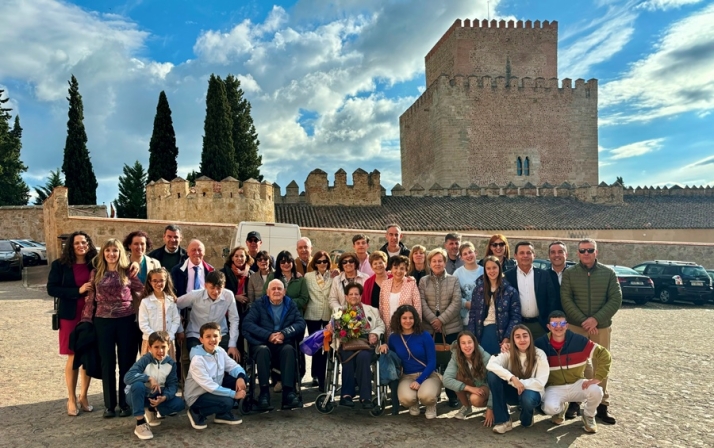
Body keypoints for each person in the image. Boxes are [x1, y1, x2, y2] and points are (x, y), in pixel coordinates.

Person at [560, 238, 622, 425]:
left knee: (600, 363)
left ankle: (601, 405)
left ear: (596, 252)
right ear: (577, 253)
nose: (586, 253)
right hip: (576, 325)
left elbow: (615, 298)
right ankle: (575, 401)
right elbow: (566, 298)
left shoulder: (608, 273)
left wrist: (595, 319)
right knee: (576, 365)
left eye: (590, 250)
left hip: (600, 326)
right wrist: (583, 321)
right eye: (582, 250)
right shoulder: (570, 273)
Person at [80, 238, 144, 418]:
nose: (111, 254)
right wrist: (86, 320)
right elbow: (90, 297)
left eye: (115, 251)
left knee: (126, 363)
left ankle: (125, 403)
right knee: (107, 363)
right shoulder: (96, 272)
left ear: (120, 253)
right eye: (108, 251)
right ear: (103, 254)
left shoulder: (128, 271)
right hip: (103, 321)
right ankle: (109, 405)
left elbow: (141, 290)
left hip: (126, 320)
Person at [535, 311, 612, 434]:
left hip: (578, 384)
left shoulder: (579, 341)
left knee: (597, 391)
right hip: (554, 387)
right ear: (549, 327)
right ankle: (560, 409)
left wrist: (598, 378)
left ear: (567, 325)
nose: (558, 327)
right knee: (549, 408)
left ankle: (588, 416)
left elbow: (604, 354)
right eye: (554, 324)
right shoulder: (540, 344)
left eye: (562, 323)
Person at [47, 230, 97, 416]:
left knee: (88, 354)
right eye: (76, 243)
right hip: (70, 314)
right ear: (71, 246)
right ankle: (71, 398)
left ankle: (84, 396)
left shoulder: (95, 263)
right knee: (72, 355)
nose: (81, 246)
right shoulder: (60, 265)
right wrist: (78, 290)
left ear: (89, 244)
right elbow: (51, 289)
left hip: (91, 314)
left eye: (84, 242)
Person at [243, 279, 306, 410]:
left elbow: (300, 323)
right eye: (273, 289)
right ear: (267, 292)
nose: (276, 291)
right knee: (262, 351)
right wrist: (268, 336)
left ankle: (289, 392)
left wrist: (283, 334)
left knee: (289, 350)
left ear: (284, 292)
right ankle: (264, 393)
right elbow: (247, 324)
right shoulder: (258, 304)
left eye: (279, 289)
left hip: (283, 342)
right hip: (262, 342)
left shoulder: (290, 304)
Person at [418, 248, 462, 407]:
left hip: (450, 328)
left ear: (445, 262)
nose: (437, 263)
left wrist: (441, 320)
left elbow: (457, 302)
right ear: (429, 263)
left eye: (440, 260)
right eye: (434, 261)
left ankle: (453, 395)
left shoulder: (453, 280)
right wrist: (432, 320)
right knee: (431, 362)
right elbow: (421, 302)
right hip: (429, 329)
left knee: (452, 363)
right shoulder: (423, 281)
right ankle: (430, 396)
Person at [486, 325, 549, 434]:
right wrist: (512, 378)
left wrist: (520, 383)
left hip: (531, 393)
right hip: (513, 392)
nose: (522, 340)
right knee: (492, 375)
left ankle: (526, 418)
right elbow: (491, 364)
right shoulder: (509, 352)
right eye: (518, 337)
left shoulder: (539, 354)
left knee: (527, 399)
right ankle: (504, 420)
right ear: (513, 340)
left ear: (530, 338)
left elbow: (540, 382)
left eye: (525, 336)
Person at [184, 322, 247, 429]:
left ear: (220, 338)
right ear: (201, 340)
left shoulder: (220, 351)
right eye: (208, 336)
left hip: (214, 389)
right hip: (197, 396)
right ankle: (197, 411)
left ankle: (222, 415)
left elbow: (233, 366)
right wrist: (233, 394)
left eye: (215, 336)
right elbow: (209, 386)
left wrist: (240, 377)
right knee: (228, 402)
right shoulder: (197, 359)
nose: (212, 339)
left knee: (241, 378)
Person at [124, 331, 185, 440]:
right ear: (150, 347)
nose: (160, 351)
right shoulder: (145, 360)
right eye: (156, 347)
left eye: (163, 347)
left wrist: (165, 397)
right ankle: (140, 422)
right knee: (138, 385)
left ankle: (152, 410)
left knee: (179, 404)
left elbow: (172, 385)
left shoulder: (171, 363)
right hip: (138, 394)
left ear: (169, 346)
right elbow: (128, 377)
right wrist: (148, 378)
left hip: (156, 394)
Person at [332, 283, 385, 408]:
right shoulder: (339, 311)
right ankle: (346, 395)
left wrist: (375, 334)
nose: (354, 296)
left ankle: (365, 397)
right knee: (347, 356)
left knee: (363, 357)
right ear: (346, 296)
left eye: (356, 294)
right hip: (347, 344)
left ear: (361, 296)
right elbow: (333, 329)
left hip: (366, 344)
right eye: (351, 294)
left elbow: (381, 325)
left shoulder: (372, 310)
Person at [386, 305, 441, 419]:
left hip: (428, 374)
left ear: (415, 319)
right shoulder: (393, 338)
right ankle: (413, 402)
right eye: (404, 318)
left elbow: (432, 362)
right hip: (407, 376)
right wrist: (384, 346)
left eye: (411, 318)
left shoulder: (424, 335)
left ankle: (430, 404)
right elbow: (393, 359)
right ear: (399, 319)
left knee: (426, 396)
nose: (408, 321)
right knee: (406, 399)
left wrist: (420, 380)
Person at [171, 239, 214, 381]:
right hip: (185, 314)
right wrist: (178, 317)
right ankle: (185, 380)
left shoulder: (211, 271)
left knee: (206, 348)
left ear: (204, 252)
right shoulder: (177, 271)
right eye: (193, 250)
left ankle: (205, 380)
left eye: (200, 249)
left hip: (204, 314)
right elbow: (173, 295)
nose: (197, 253)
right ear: (187, 252)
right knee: (184, 352)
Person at [176, 271, 240, 361]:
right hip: (196, 334)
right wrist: (180, 329)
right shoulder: (195, 295)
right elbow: (175, 305)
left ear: (224, 286)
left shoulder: (228, 295)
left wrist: (232, 344)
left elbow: (234, 319)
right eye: (212, 288)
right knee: (199, 359)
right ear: (206, 286)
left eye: (219, 288)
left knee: (228, 358)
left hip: (219, 334)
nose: (215, 291)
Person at [504, 242, 558, 340]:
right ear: (515, 256)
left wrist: (548, 322)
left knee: (542, 353)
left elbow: (552, 300)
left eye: (529, 253)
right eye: (522, 253)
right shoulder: (507, 276)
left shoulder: (544, 275)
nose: (525, 256)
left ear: (534, 255)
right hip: (517, 325)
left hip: (540, 325)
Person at [468, 256, 521, 355]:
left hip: (503, 333)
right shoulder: (478, 290)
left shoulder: (510, 291)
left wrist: (507, 337)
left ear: (499, 268)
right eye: (488, 268)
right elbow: (473, 315)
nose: (491, 271)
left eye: (494, 267)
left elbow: (515, 317)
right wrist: (472, 337)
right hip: (483, 332)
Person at [124, 230, 162, 356]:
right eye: (136, 244)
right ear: (129, 245)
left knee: (147, 353)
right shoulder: (123, 264)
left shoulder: (155, 263)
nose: (139, 247)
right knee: (129, 353)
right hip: (129, 313)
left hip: (150, 315)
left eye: (142, 244)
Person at [443, 331, 493, 423]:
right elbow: (446, 379)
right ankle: (466, 406)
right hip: (472, 384)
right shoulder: (456, 355)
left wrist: (490, 408)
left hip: (487, 386)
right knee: (457, 376)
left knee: (475, 399)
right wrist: (470, 388)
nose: (467, 346)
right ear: (459, 345)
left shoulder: (484, 356)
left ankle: (499, 405)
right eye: (463, 343)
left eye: (469, 342)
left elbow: (495, 383)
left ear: (475, 343)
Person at [303, 250, 334, 391]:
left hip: (328, 315)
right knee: (315, 345)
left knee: (327, 347)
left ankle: (325, 375)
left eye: (325, 261)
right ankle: (315, 374)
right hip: (312, 315)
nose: (322, 264)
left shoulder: (334, 276)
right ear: (315, 263)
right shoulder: (307, 277)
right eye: (319, 261)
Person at [138, 268, 181, 359]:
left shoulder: (170, 300)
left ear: (166, 281)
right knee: (151, 371)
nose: (158, 284)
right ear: (150, 282)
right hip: (150, 343)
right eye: (155, 281)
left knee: (167, 370)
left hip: (167, 343)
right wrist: (156, 339)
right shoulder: (145, 302)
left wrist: (170, 334)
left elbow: (176, 319)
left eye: (161, 280)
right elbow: (143, 324)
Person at [220, 246, 253, 359]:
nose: (239, 258)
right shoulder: (223, 273)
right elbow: (218, 292)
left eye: (242, 256)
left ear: (246, 258)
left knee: (243, 340)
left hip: (245, 312)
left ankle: (243, 365)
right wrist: (235, 296)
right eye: (236, 256)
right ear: (232, 258)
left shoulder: (251, 274)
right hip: (227, 312)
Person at [378, 255, 421, 336]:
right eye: (396, 267)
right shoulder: (385, 284)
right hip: (388, 326)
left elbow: (417, 306)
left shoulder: (411, 283)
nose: (398, 271)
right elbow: (381, 306)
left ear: (406, 270)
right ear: (391, 269)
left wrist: (416, 326)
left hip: (406, 326)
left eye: (402, 268)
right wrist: (381, 326)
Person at [452, 242, 484, 330]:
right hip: (465, 317)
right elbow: (454, 295)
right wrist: (465, 303)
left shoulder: (484, 271)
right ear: (461, 257)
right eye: (465, 254)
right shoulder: (457, 273)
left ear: (476, 253)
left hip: (483, 316)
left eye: (470, 252)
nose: (468, 255)